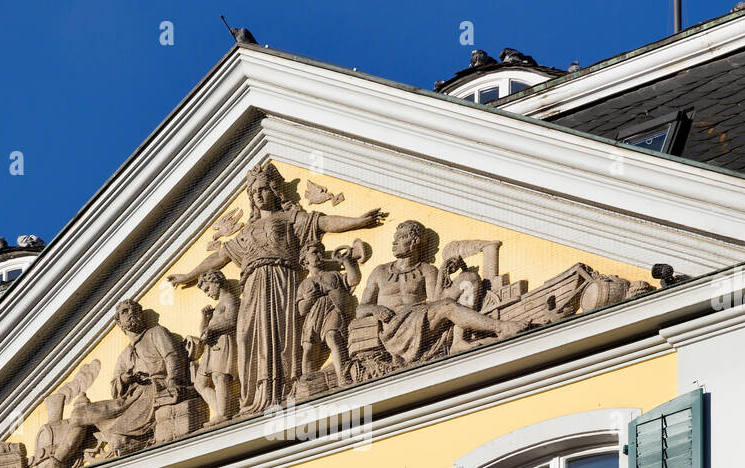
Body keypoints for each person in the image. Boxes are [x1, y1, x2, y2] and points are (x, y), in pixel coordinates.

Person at [168, 161, 385, 414]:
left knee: (282, 332)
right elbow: (219, 256)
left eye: (263, 189)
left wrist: (358, 221)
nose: (258, 196)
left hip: (281, 281)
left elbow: (324, 223)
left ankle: (286, 388)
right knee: (248, 336)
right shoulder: (246, 232)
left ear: (274, 190)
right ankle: (255, 398)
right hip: (252, 288)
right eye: (254, 193)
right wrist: (188, 275)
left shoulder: (289, 218)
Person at [359, 220, 521, 365]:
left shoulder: (426, 270)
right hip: (394, 330)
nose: (394, 242)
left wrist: (444, 270)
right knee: (447, 306)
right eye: (395, 237)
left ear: (415, 241)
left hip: (419, 321)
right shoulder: (379, 272)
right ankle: (500, 328)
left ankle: (459, 341)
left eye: (400, 237)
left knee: (469, 278)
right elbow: (360, 310)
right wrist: (375, 309)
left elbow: (436, 301)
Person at [62, 299, 195, 459]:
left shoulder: (156, 333)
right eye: (125, 311)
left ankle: (133, 439)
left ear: (141, 315)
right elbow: (115, 390)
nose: (131, 313)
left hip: (152, 391)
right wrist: (124, 379)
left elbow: (172, 356)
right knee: (78, 414)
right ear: (119, 322)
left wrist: (173, 381)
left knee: (118, 442)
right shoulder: (124, 355)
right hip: (128, 401)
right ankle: (57, 462)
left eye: (135, 310)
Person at [295, 242, 360, 387]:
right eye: (314, 252)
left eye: (320, 252)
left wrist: (346, 262)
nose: (319, 255)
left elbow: (353, 280)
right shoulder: (305, 284)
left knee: (333, 337)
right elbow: (301, 309)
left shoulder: (333, 275)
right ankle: (308, 385)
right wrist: (310, 299)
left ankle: (342, 377)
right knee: (308, 349)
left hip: (333, 308)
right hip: (313, 315)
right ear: (305, 261)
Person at [185, 270, 238, 424]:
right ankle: (221, 411)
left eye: (208, 289)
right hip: (211, 347)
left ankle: (223, 413)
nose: (207, 293)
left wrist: (212, 329)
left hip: (224, 342)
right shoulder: (216, 307)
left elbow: (233, 321)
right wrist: (205, 319)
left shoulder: (230, 299)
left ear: (216, 282)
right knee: (199, 383)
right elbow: (202, 333)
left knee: (219, 376)